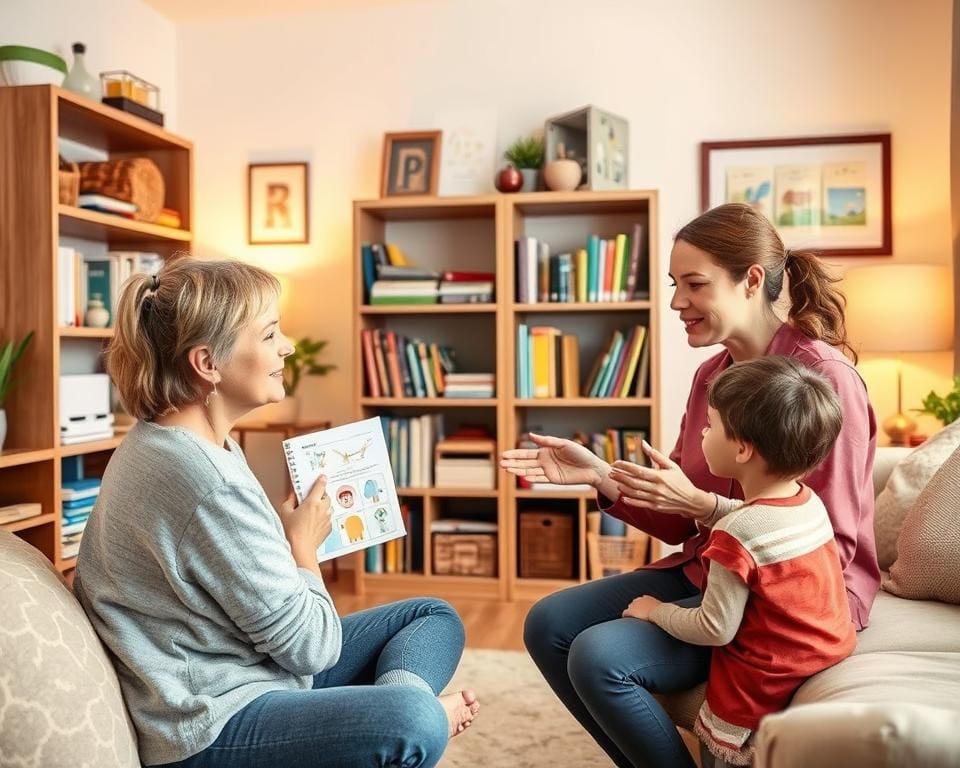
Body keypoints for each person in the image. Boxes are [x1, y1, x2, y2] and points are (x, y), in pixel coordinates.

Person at [500, 203, 878, 768]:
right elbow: (680, 517)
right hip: (714, 568)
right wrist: (600, 475)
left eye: (694, 284)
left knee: (597, 656)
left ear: (751, 279)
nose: (676, 302)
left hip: (791, 599)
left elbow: (828, 544)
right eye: (674, 284)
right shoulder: (711, 376)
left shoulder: (823, 380)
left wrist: (706, 508)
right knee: (548, 623)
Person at [75, 258, 479, 768]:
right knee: (414, 722)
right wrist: (302, 546)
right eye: (269, 335)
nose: (287, 346)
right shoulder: (202, 479)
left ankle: (383, 710)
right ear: (208, 364)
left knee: (431, 616)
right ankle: (403, 712)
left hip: (257, 672)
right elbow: (312, 650)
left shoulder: (184, 442)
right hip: (210, 724)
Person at [623, 356, 856, 767]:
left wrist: (654, 612)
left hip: (758, 692)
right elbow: (751, 519)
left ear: (744, 448)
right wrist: (712, 507)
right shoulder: (806, 500)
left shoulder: (738, 534)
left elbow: (713, 627)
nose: (703, 432)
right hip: (816, 655)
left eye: (711, 424)